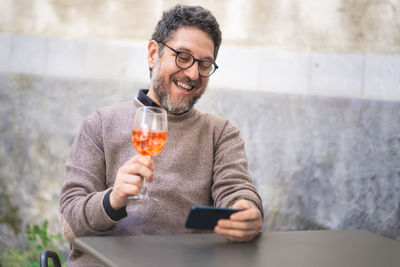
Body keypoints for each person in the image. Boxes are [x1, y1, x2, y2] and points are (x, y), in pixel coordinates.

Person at [59, 4, 263, 266]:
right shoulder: (99, 124)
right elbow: (70, 222)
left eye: (204, 64)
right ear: (154, 54)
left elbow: (236, 190)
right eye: (183, 56)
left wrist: (247, 211)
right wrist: (113, 199)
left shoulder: (220, 133)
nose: (192, 73)